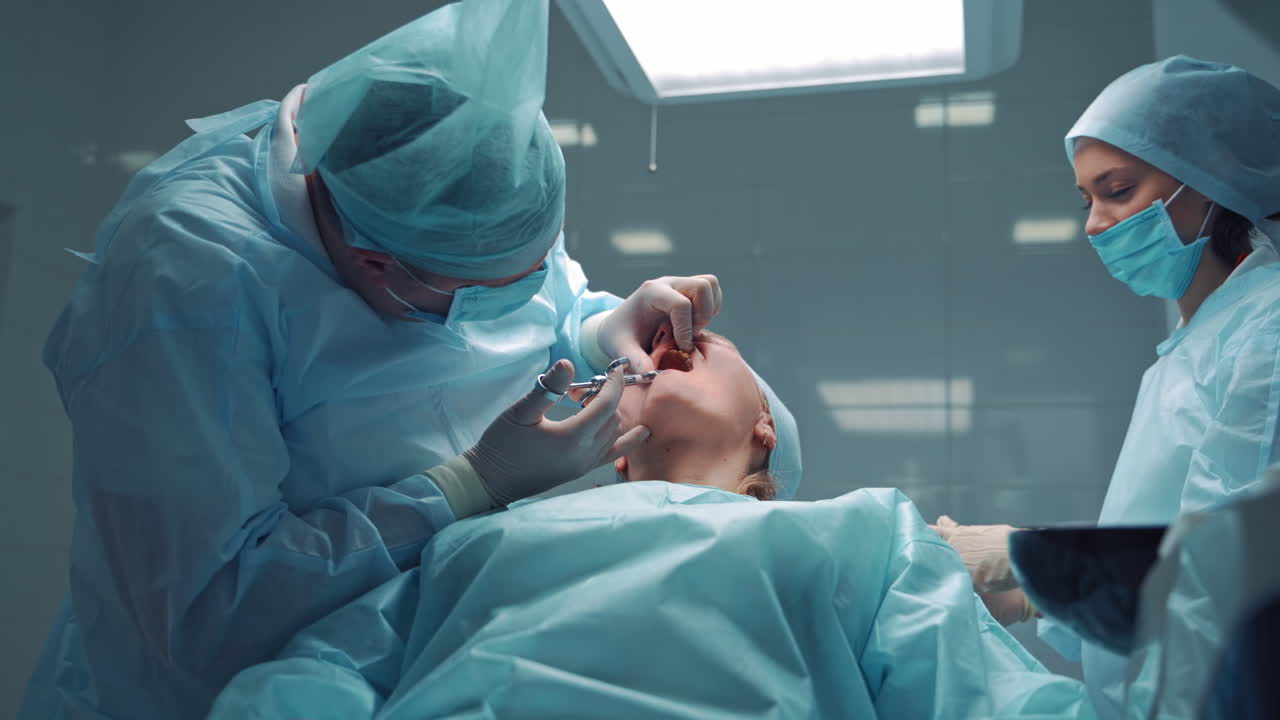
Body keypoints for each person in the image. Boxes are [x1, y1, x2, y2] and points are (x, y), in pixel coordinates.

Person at [17, 2, 724, 718]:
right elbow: (207, 615)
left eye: (539, 266)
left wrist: (598, 328)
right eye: (479, 297)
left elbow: (532, 302)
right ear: (374, 264)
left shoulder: (475, 174)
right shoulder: (187, 279)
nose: (523, 299)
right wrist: (465, 486)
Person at [206, 331, 1099, 720]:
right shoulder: (476, 542)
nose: (676, 342)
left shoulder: (858, 538)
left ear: (763, 431)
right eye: (647, 361)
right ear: (618, 451)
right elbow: (312, 676)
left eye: (714, 350)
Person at [934, 55, 1280, 719]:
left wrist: (1023, 557)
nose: (1093, 223)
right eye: (1087, 198)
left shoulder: (1265, 328)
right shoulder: (1187, 351)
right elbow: (1158, 560)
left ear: (1210, 181)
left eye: (1117, 189)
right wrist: (1036, 594)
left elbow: (1225, 572)